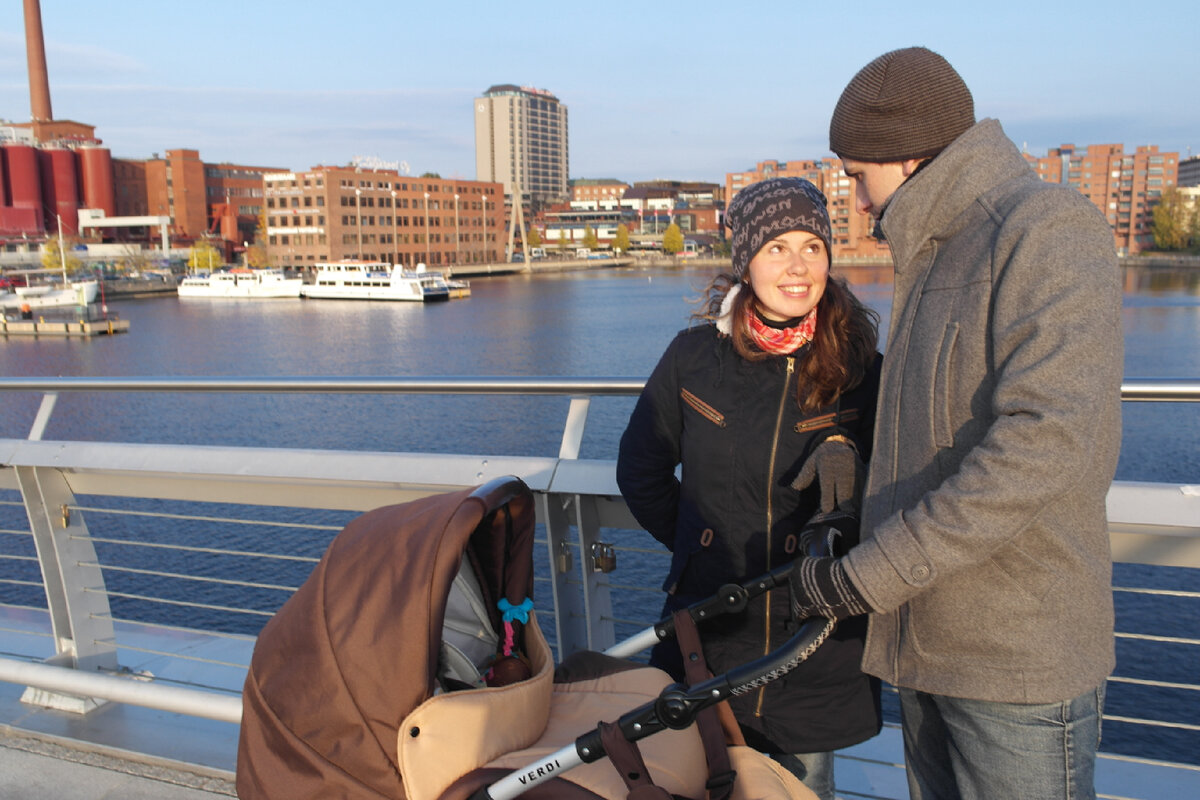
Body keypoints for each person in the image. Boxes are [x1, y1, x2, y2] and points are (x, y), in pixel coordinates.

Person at [786, 47, 1124, 799]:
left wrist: (868, 575)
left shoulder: (1044, 229)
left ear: (905, 159)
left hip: (1016, 663)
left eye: (855, 175)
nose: (855, 198)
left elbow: (1045, 443)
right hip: (926, 644)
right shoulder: (934, 253)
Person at [617, 177, 883, 800]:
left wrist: (853, 461)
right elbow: (641, 470)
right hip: (709, 629)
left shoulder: (860, 367)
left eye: (812, 247)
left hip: (815, 634)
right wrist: (700, 543)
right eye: (778, 248)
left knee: (800, 788)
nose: (798, 267)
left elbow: (897, 483)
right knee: (690, 777)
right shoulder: (694, 357)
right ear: (746, 261)